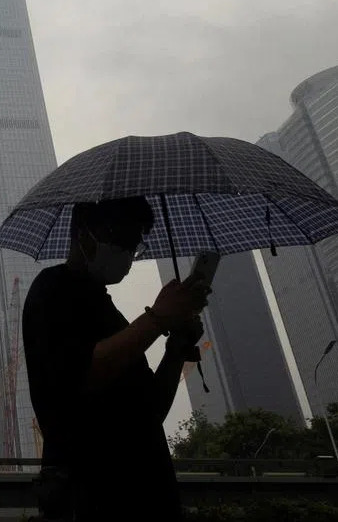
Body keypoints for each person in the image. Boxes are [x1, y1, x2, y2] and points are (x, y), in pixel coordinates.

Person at [23, 196, 211, 521]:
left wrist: (176, 348)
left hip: (147, 493)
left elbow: (150, 411)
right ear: (85, 236)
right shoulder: (53, 290)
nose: (127, 255)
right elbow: (86, 372)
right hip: (92, 495)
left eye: (134, 245)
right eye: (122, 240)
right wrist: (159, 318)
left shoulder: (109, 310)